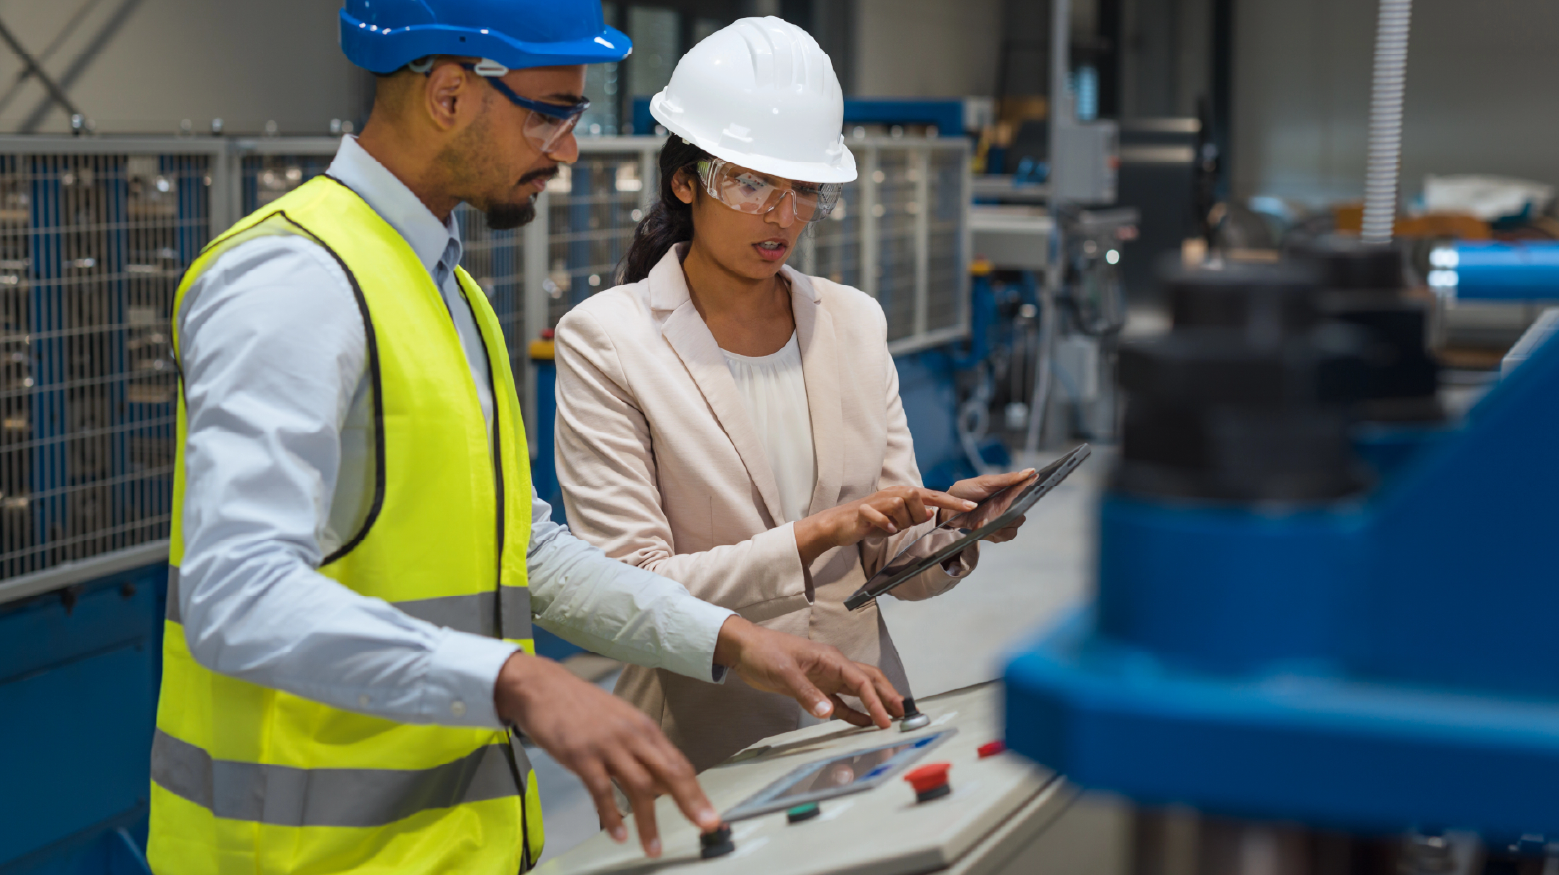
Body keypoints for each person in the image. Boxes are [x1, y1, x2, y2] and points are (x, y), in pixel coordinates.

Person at [146, 3, 906, 873]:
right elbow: (236, 595)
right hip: (294, 853)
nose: (569, 148)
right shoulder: (294, 282)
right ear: (447, 94)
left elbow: (526, 552)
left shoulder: (450, 294)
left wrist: (734, 639)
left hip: (450, 846)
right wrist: (515, 679)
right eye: (550, 110)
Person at [553, 15, 1035, 773]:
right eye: (750, 183)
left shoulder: (851, 321)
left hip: (860, 720)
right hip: (704, 740)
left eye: (803, 188)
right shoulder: (609, 339)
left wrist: (954, 532)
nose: (782, 216)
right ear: (685, 181)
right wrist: (812, 533)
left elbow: (890, 559)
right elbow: (629, 590)